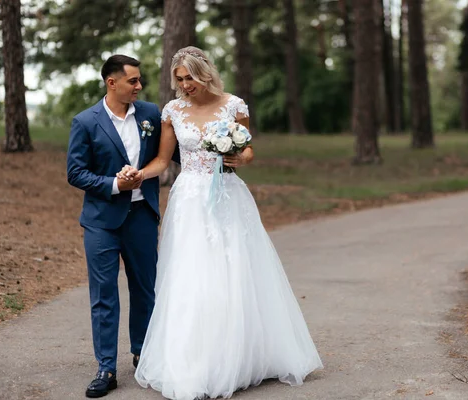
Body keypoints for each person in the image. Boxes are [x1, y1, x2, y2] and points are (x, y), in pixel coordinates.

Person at [123, 46, 323, 400]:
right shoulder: (173, 111)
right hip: (189, 200)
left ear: (206, 73)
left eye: (190, 78)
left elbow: (248, 150)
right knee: (192, 272)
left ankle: (243, 355)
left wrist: (238, 157)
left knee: (236, 270)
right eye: (179, 80)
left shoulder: (234, 105)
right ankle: (196, 358)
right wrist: (139, 174)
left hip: (228, 196)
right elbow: (163, 160)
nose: (185, 85)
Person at [67, 55, 165, 398]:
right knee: (104, 295)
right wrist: (113, 184)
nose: (139, 87)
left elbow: (173, 152)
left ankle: (144, 355)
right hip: (101, 222)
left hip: (141, 217)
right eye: (133, 81)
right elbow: (75, 172)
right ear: (112, 83)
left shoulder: (152, 114)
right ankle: (106, 367)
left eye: (139, 81)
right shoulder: (85, 121)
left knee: (145, 289)